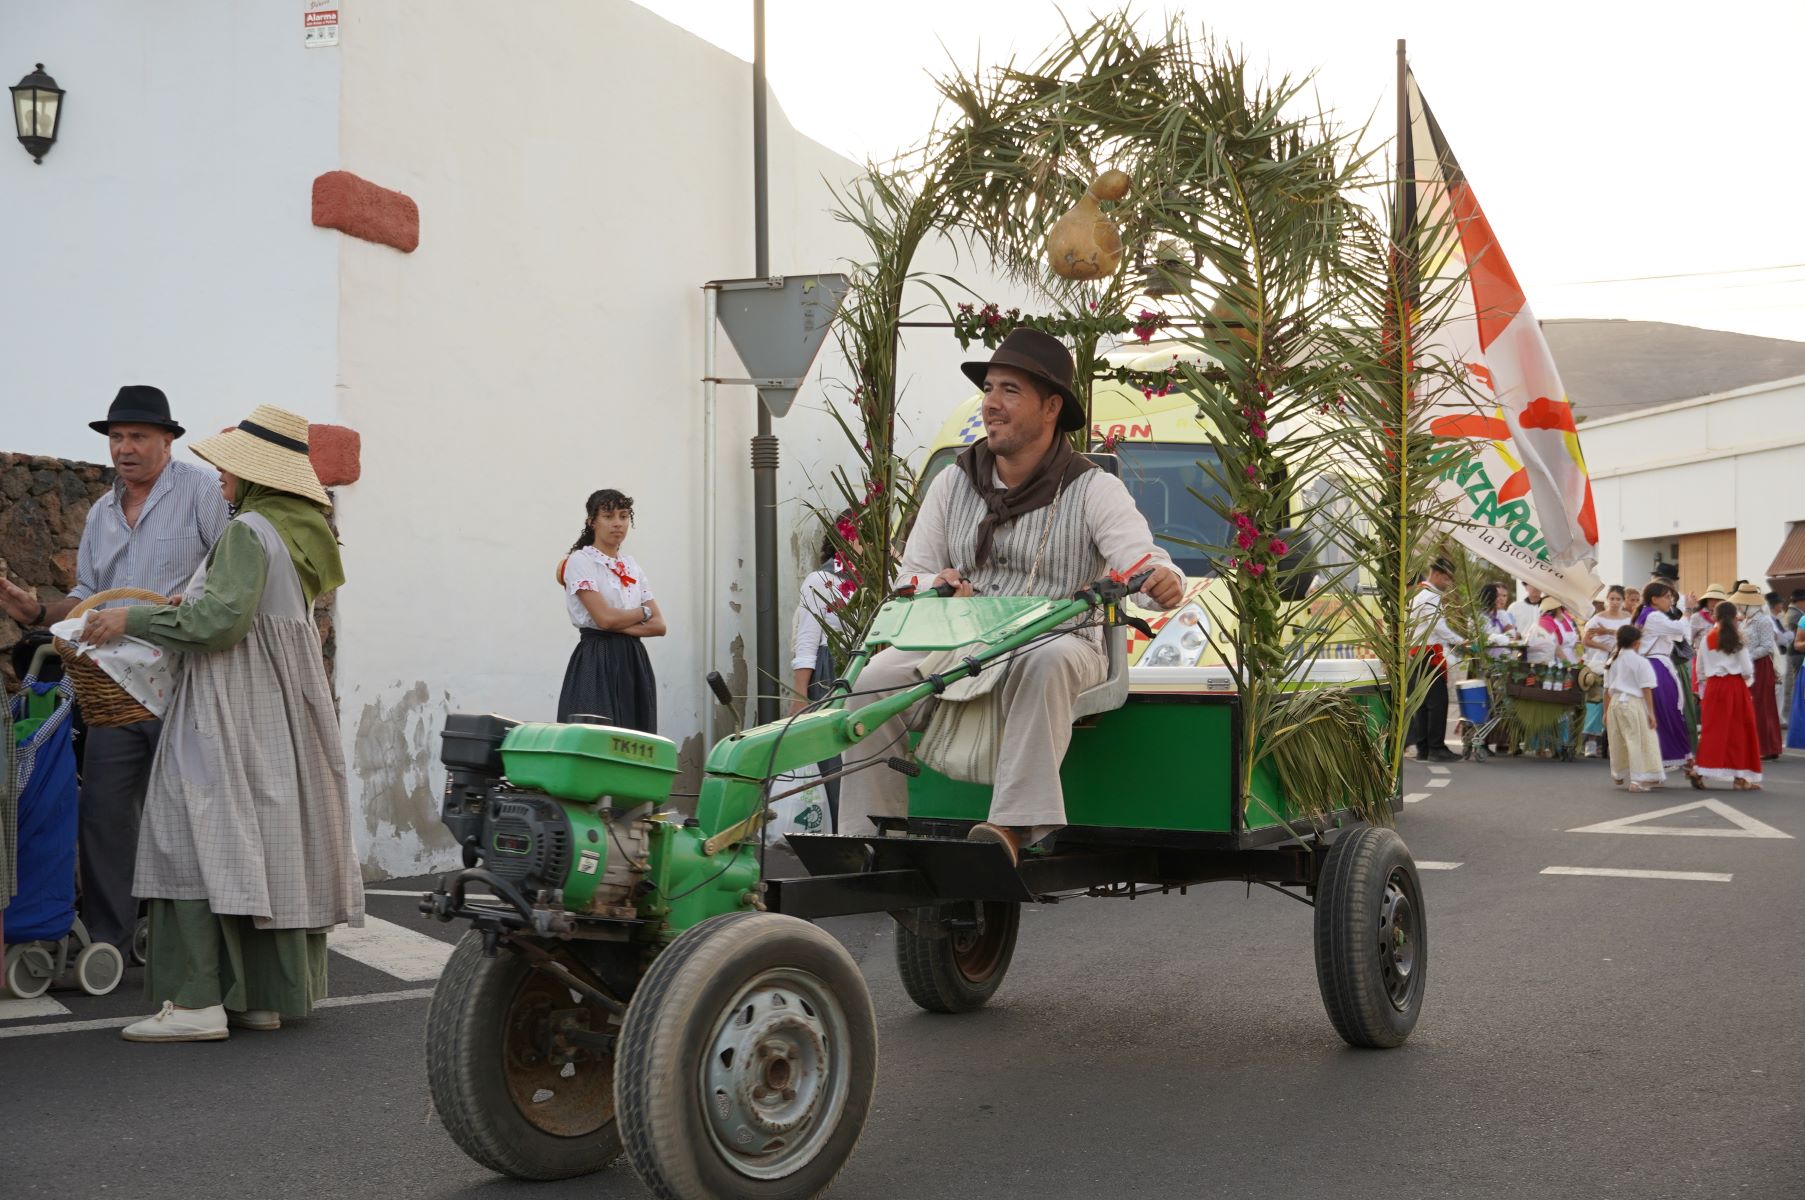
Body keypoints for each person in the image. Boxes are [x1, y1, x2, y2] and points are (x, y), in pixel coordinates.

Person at [838, 329, 1185, 862]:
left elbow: (1143, 564)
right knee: (871, 681)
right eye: (990, 389)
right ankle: (872, 833)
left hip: (1063, 643)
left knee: (1044, 660)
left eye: (1010, 391)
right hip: (962, 644)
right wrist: (940, 586)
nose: (991, 404)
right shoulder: (952, 483)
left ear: (1051, 408)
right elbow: (911, 580)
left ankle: (1012, 827)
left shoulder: (1094, 488)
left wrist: (1163, 582)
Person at [77, 405, 364, 1041]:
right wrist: (196, 600)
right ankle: (257, 996)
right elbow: (252, 609)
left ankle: (195, 1001)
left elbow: (219, 625)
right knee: (259, 838)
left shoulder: (246, 531)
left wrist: (134, 619)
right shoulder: (301, 532)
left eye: (228, 466)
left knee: (188, 829)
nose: (219, 477)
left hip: (228, 702)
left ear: (257, 475)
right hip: (279, 706)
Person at [0, 386, 229, 956]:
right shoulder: (102, 510)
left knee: (191, 811)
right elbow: (87, 597)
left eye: (137, 437)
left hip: (188, 681)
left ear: (168, 440)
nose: (124, 448)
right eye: (116, 437)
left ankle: (201, 936)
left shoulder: (201, 491)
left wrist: (148, 615)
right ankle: (111, 938)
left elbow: (226, 577)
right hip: (116, 689)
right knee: (102, 810)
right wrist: (35, 611)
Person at [556, 489, 665, 732]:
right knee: (596, 732)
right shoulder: (580, 561)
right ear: (592, 522)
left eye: (624, 516)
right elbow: (604, 620)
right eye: (608, 516)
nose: (618, 523)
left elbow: (660, 626)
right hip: (597, 657)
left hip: (634, 660)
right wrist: (642, 613)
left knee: (635, 736)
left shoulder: (632, 566)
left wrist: (618, 622)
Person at [790, 510, 858, 824]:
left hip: (867, 669)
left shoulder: (886, 578)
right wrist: (800, 694)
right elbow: (807, 640)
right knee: (833, 756)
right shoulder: (821, 580)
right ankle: (836, 826)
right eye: (857, 533)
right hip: (832, 673)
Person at [1694, 600, 1762, 791]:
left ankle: (1699, 771)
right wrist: (1746, 683)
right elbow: (1747, 669)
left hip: (1714, 687)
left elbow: (1699, 669)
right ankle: (1739, 777)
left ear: (1715, 616)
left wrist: (1704, 689)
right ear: (1734, 618)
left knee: (1712, 730)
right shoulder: (1738, 641)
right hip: (1734, 686)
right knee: (1740, 731)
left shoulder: (1707, 639)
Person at [1635, 583, 1697, 783]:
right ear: (1654, 599)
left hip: (1656, 666)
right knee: (1665, 715)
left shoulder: (1649, 615)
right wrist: (1688, 610)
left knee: (1666, 714)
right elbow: (1680, 628)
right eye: (1667, 597)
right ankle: (1663, 764)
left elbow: (1680, 634)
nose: (1671, 600)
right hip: (1656, 667)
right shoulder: (1653, 616)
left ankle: (1678, 760)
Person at [1406, 559, 1463, 764]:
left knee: (1422, 704)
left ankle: (1424, 748)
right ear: (1437, 575)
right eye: (1447, 579)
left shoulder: (1417, 594)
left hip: (1417, 654)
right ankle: (1436, 748)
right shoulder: (1430, 596)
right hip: (1429, 655)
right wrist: (1462, 641)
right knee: (1438, 703)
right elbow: (1439, 628)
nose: (1448, 584)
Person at [1603, 623, 1664, 792]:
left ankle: (1618, 773)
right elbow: (1646, 688)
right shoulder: (1640, 662)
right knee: (1636, 740)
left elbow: (1606, 690)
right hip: (1632, 703)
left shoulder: (1612, 661)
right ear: (1637, 643)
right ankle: (1637, 779)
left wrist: (1605, 711)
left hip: (1615, 703)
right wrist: (1651, 713)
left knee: (1617, 739)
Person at [1730, 582, 1782, 759]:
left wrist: (1746, 657)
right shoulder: (1745, 620)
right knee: (1752, 705)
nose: (1738, 607)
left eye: (1740, 604)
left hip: (1760, 666)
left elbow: (1767, 647)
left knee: (1761, 705)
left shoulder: (1763, 620)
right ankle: (1758, 745)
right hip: (1749, 666)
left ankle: (1766, 747)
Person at [1580, 586, 1632, 758]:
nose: (1615, 602)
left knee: (1622, 700)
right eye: (1612, 598)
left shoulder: (1629, 618)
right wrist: (1605, 646)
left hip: (1623, 661)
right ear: (1606, 600)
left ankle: (1615, 742)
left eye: (1618, 599)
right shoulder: (1597, 618)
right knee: (1597, 700)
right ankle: (1591, 741)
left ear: (1623, 601)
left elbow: (1633, 635)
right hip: (1601, 662)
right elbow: (1586, 640)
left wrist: (1609, 633)